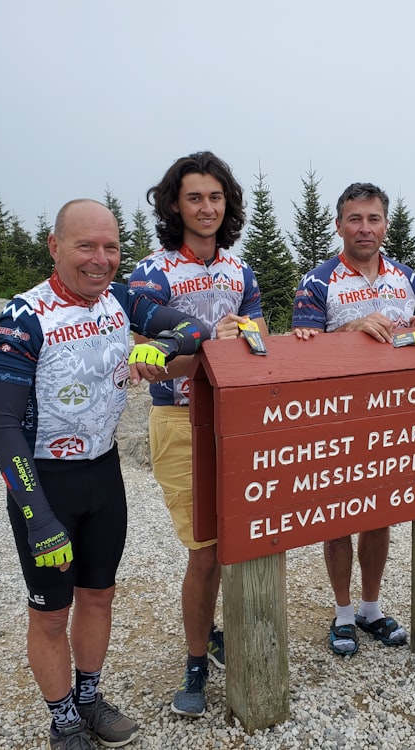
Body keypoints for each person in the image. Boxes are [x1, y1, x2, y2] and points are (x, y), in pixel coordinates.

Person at [0, 199, 204, 749]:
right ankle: (62, 722)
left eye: (110, 247)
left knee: (99, 596)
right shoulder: (21, 318)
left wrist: (160, 346)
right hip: (45, 482)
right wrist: (37, 518)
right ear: (55, 247)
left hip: (103, 475)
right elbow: (4, 425)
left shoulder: (121, 299)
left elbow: (195, 331)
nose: (100, 259)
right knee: (51, 614)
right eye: (86, 246)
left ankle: (88, 698)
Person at [127, 151, 267, 718]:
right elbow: (143, 338)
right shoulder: (151, 271)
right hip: (179, 421)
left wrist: (245, 340)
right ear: (175, 205)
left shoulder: (242, 273)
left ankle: (222, 633)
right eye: (194, 198)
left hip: (235, 423)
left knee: (243, 542)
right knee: (206, 551)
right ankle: (194, 659)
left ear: (227, 202)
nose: (206, 207)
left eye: (215, 197)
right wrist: (210, 340)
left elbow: (258, 350)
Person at [292, 182, 415, 656]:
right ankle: (343, 614)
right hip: (336, 420)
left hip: (393, 416)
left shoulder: (405, 277)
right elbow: (301, 356)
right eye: (355, 219)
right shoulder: (317, 281)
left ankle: (371, 609)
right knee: (338, 520)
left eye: (373, 219)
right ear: (339, 225)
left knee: (379, 517)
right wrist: (349, 331)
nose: (365, 228)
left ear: (385, 225)